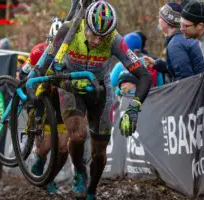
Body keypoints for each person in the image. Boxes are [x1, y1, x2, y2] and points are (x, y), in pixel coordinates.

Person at [34, 1, 152, 199]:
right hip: (69, 85)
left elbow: (145, 76)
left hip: (100, 89)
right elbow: (45, 62)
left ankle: (91, 190)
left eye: (102, 36)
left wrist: (134, 107)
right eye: (94, 34)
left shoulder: (115, 40)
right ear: (85, 25)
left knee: (99, 152)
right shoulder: (68, 30)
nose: (97, 41)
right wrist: (35, 78)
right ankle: (79, 171)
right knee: (78, 135)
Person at [18, 17, 64, 194]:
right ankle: (40, 159)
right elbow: (22, 75)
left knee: (63, 145)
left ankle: (50, 178)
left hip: (59, 97)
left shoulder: (71, 53)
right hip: (39, 96)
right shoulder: (38, 51)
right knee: (45, 145)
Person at [143, 2, 204, 82]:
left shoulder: (176, 45)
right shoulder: (182, 38)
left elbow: (184, 79)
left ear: (168, 21)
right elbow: (178, 67)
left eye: (160, 17)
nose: (158, 19)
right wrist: (156, 64)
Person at [111, 32, 163, 96]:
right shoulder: (151, 62)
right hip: (151, 99)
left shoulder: (120, 65)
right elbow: (160, 85)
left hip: (128, 101)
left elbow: (112, 83)